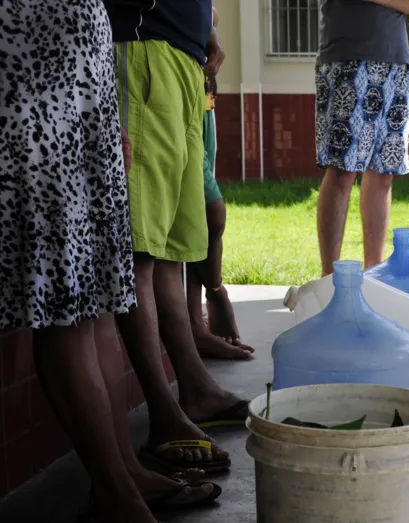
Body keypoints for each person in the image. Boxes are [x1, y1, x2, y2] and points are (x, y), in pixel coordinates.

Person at [0, 1, 218, 521]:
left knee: (100, 290)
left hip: (83, 63)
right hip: (31, 61)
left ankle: (124, 472)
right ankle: (114, 491)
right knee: (65, 298)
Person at [104, 0, 251, 473]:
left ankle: (195, 387)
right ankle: (162, 413)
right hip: (142, 46)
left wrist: (204, 26)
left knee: (170, 245)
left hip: (182, 56)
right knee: (141, 246)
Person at [315, 0, 409, 275]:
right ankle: (329, 278)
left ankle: (374, 273)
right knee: (343, 170)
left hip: (397, 65)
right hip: (348, 61)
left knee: (383, 172)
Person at [186, 7, 255, 360]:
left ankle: (198, 311)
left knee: (199, 209)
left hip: (202, 92)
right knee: (209, 210)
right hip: (173, 78)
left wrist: (210, 36)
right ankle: (206, 305)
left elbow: (209, 11)